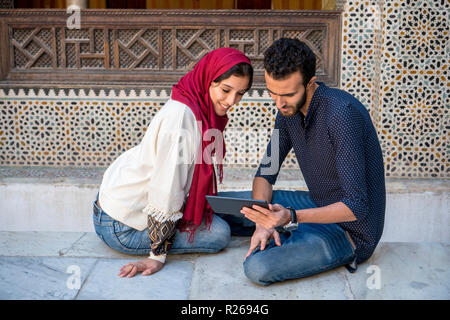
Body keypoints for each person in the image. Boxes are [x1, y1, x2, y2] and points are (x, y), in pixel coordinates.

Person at [222, 38, 386, 286]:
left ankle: (293, 233)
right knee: (223, 206)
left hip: (351, 231)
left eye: (288, 94)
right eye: (272, 93)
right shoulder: (287, 112)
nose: (279, 103)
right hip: (315, 204)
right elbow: (267, 171)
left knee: (258, 268)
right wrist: (261, 223)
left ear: (310, 84)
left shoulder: (341, 114)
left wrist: (291, 217)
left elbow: (357, 206)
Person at [92, 48, 253, 278]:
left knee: (244, 205)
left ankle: (278, 220)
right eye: (226, 90)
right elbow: (165, 189)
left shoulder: (196, 106)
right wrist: (157, 255)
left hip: (115, 206)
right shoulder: (182, 117)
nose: (232, 101)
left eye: (240, 94)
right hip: (122, 226)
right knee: (219, 234)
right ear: (208, 79)